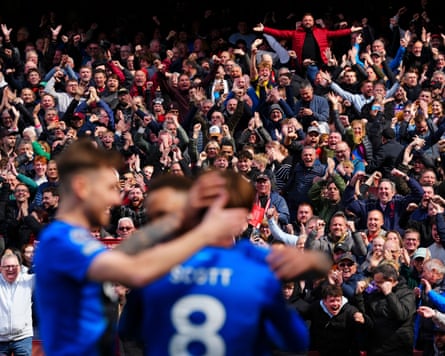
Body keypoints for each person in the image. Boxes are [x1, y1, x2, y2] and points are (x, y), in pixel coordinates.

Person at [33, 138, 250, 356]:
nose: (116, 200)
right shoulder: (61, 241)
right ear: (81, 187)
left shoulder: (72, 240)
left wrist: (174, 220)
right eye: (109, 189)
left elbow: (121, 254)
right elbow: (137, 271)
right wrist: (207, 231)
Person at [118, 169, 330, 355]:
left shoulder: (159, 263)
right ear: (239, 218)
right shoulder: (255, 266)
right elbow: (296, 339)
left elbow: (128, 328)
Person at [0, 252, 35, 356]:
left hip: (22, 338)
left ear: (20, 267)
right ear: (0, 268)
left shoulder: (28, 280)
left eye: (13, 266)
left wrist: (43, 254)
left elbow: (47, 274)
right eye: (7, 266)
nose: (10, 269)